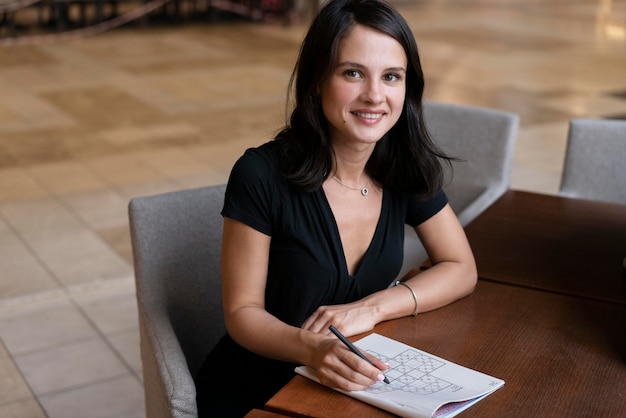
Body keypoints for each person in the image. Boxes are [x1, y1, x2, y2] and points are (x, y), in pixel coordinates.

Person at [194, 0, 477, 415]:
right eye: (353, 73)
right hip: (261, 390)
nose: (374, 95)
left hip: (355, 388)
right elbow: (242, 312)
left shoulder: (404, 166)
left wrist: (372, 308)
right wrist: (313, 348)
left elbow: (461, 267)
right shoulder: (261, 173)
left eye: (391, 77)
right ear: (316, 81)